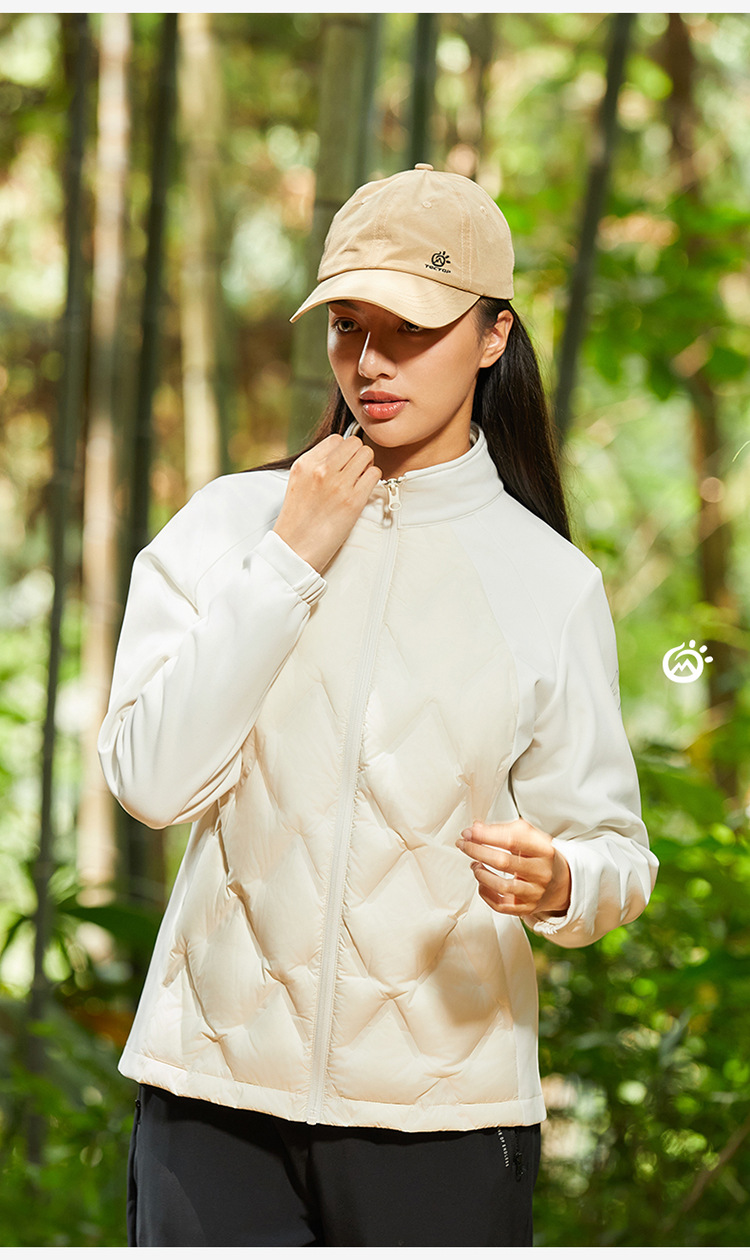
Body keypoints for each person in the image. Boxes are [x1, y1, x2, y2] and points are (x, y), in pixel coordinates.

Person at [98, 164, 659, 1247]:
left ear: (493, 336)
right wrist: (289, 558)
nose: (371, 362)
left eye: (412, 329)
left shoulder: (548, 582)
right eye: (348, 326)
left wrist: (563, 879)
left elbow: (616, 852)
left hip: (447, 1124)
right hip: (210, 1104)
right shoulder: (228, 528)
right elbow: (152, 782)